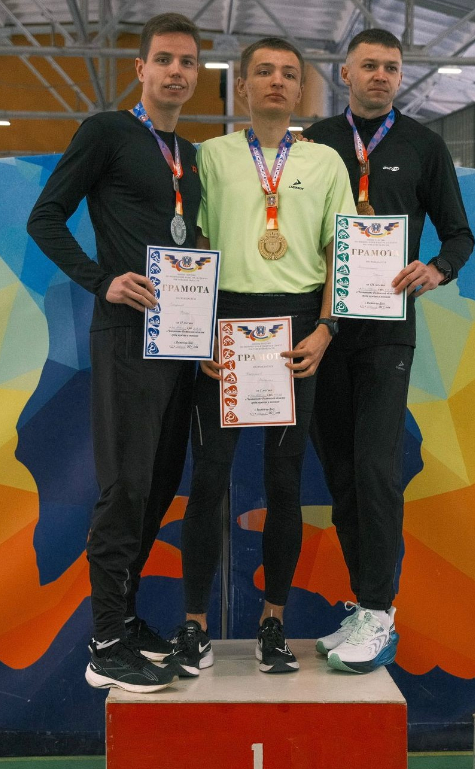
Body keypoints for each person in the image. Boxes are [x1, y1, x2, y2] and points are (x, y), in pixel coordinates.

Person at [165, 37, 355, 676]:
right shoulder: (209, 157)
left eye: (289, 74)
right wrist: (199, 335)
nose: (277, 81)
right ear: (242, 86)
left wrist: (325, 329)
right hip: (227, 323)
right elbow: (194, 246)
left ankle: (273, 623)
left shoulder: (325, 162)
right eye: (263, 71)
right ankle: (193, 628)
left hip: (298, 328)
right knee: (208, 479)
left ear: (301, 90)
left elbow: (339, 254)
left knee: (284, 483)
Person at [27, 13, 202, 692]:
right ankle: (104, 644)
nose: (177, 72)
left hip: (178, 343)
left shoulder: (189, 156)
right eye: (165, 60)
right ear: (140, 68)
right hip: (127, 337)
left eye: (188, 62)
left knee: (157, 486)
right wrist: (102, 280)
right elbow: (45, 217)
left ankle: (123, 620)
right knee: (124, 487)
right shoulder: (105, 132)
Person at [304, 28, 475, 673]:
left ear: (400, 77)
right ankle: (364, 605)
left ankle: (381, 610)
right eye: (369, 65)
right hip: (323, 330)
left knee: (375, 470)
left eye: (392, 67)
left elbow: (458, 234)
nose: (381, 75)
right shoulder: (315, 141)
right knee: (341, 475)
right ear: (345, 73)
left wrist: (437, 269)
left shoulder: (424, 145)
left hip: (385, 335)